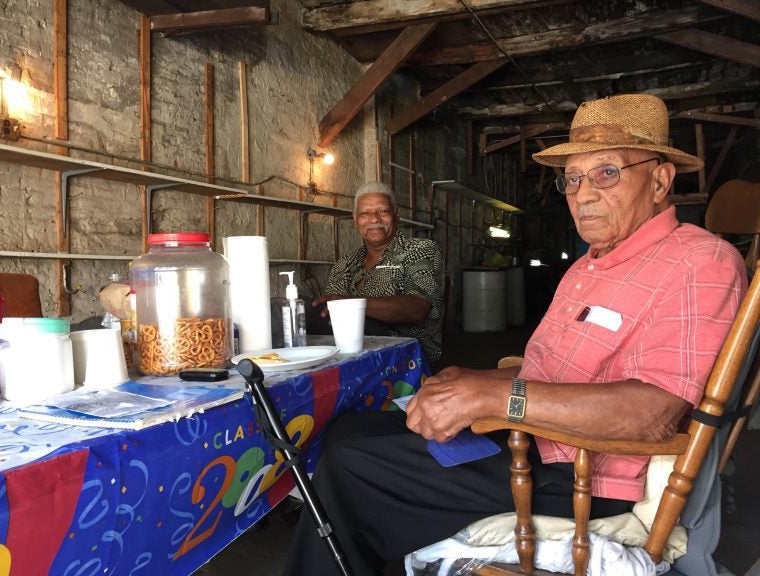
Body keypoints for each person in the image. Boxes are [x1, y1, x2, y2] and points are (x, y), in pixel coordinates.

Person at [283, 94, 748, 576]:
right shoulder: (590, 265)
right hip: (527, 437)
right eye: (571, 177)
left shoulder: (700, 262)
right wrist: (473, 379)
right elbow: (550, 372)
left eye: (607, 172)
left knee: (351, 467)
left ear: (659, 179)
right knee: (345, 429)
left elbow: (654, 414)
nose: (582, 194)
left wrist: (500, 396)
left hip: (583, 471)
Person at [313, 181, 445, 367]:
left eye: (382, 211)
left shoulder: (420, 250)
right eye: (365, 213)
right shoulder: (344, 264)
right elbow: (331, 313)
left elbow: (419, 309)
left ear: (396, 215)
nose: (374, 219)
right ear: (355, 219)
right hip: (351, 361)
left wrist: (353, 305)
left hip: (409, 363)